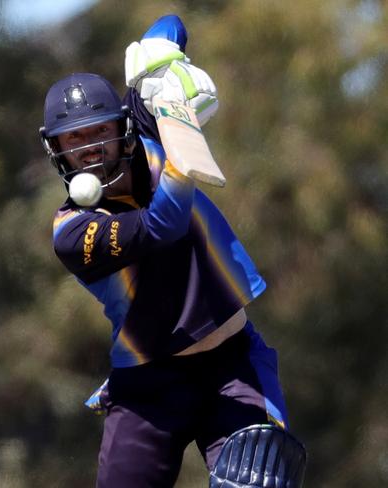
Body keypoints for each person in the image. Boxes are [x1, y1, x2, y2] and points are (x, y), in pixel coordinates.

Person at [39, 14, 306, 488]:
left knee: (259, 478)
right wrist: (182, 161)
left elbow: (170, 24)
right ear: (56, 150)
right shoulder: (73, 230)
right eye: (72, 139)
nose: (88, 148)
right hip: (148, 388)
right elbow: (164, 224)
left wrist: (160, 64)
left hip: (233, 364)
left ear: (119, 126)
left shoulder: (144, 131)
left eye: (97, 130)